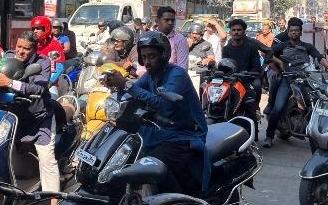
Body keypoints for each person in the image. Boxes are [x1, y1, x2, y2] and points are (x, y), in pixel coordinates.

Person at [104, 31, 209, 194]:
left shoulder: (177, 74)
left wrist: (126, 84)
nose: (147, 62)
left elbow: (163, 104)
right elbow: (133, 93)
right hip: (159, 131)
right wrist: (116, 84)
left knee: (154, 166)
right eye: (144, 57)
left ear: (164, 54)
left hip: (184, 135)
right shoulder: (150, 75)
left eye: (152, 56)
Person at [0, 31, 61, 205]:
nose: (21, 52)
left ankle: (54, 203)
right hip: (13, 116)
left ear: (34, 49)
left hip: (39, 117)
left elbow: (38, 88)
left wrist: (9, 83)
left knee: (46, 157)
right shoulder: (8, 56)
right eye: (19, 47)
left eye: (26, 48)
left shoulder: (43, 62)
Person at [264, 17, 328, 148]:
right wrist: (279, 63)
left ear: (301, 32)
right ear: (288, 32)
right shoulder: (282, 45)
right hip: (287, 80)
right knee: (278, 107)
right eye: (292, 31)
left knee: (316, 104)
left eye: (297, 30)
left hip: (305, 80)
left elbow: (320, 57)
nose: (294, 33)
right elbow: (267, 53)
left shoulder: (307, 47)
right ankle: (269, 136)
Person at [221, 18, 263, 139]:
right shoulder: (226, 49)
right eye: (233, 30)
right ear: (230, 32)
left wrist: (247, 74)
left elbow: (256, 68)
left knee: (251, 103)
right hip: (230, 82)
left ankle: (254, 136)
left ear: (244, 31)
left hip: (247, 81)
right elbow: (224, 66)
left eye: (239, 30)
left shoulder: (251, 47)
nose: (236, 32)